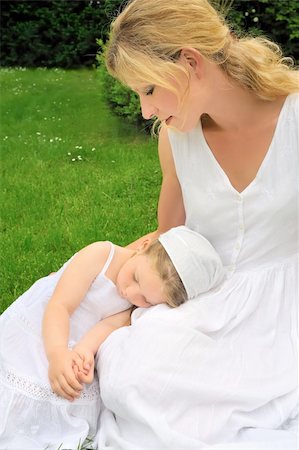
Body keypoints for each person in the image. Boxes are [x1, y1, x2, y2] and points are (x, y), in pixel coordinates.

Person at [93, 0, 299, 449]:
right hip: (210, 297)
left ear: (190, 62)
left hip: (290, 305)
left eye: (148, 90)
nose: (146, 111)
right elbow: (171, 241)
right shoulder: (176, 139)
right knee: (133, 377)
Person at [0, 225, 224, 449]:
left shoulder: (132, 305)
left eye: (146, 299)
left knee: (60, 393)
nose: (130, 293)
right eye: (135, 278)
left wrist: (83, 352)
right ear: (143, 246)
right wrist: (58, 352)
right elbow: (60, 305)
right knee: (20, 370)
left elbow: (106, 326)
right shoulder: (100, 256)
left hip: (71, 341)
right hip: (47, 323)